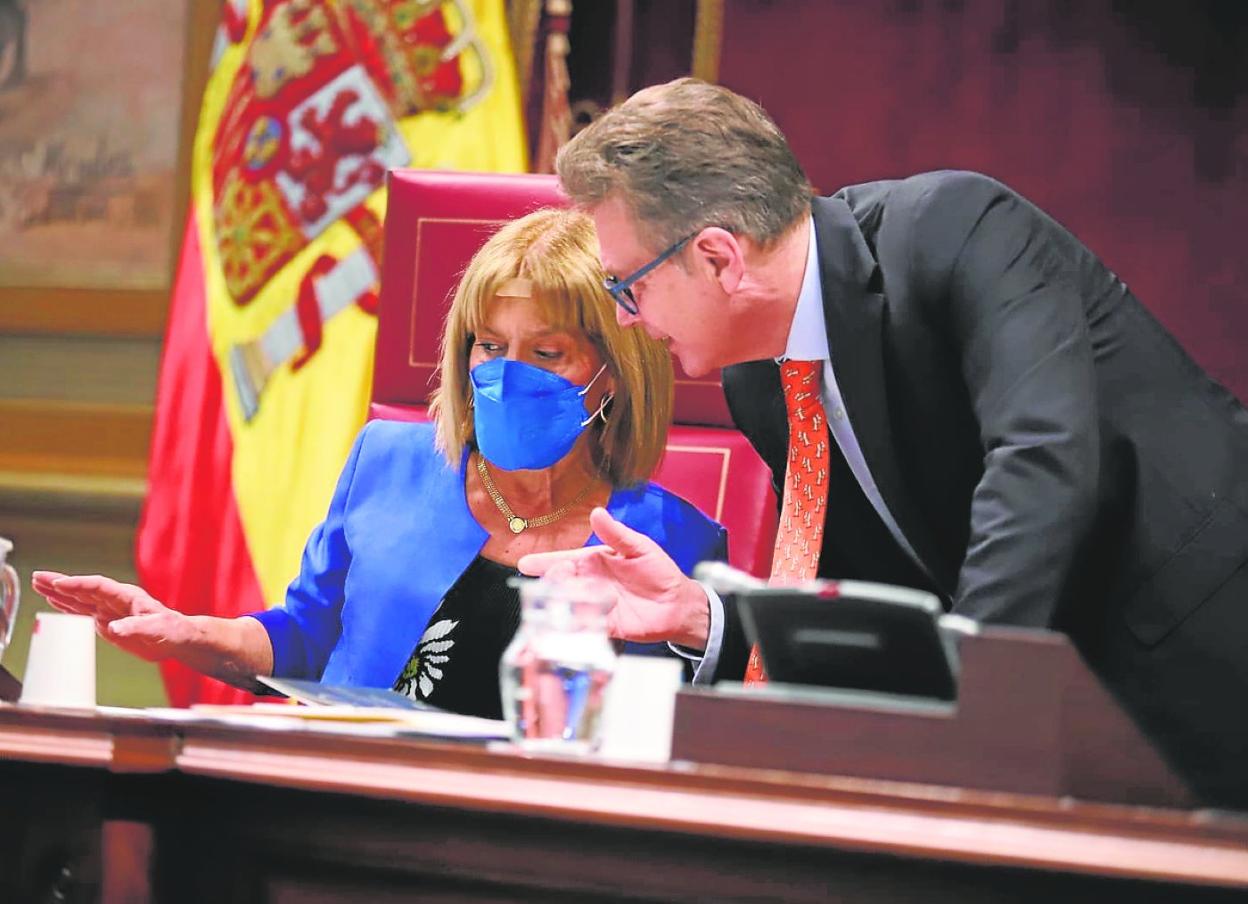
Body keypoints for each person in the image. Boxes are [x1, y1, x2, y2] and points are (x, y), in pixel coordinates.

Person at [520, 77, 1248, 807]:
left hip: (1201, 653)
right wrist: (699, 616)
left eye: (628, 286)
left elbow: (1042, 462)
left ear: (718, 258)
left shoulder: (956, 230)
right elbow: (876, 601)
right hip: (1056, 716)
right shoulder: (759, 383)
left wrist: (957, 709)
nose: (626, 319)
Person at [32, 207, 727, 720]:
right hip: (348, 797)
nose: (507, 373)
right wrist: (186, 631)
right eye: (489, 346)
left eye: (547, 353)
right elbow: (305, 640)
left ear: (614, 375)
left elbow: (670, 739)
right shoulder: (387, 462)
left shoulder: (671, 544)